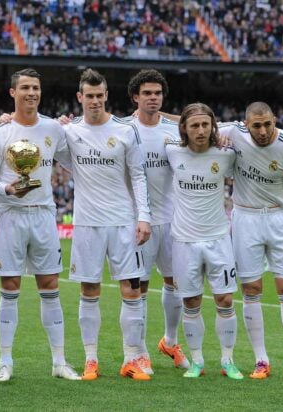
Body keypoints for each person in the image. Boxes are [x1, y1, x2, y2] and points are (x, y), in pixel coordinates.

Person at [0, 68, 79, 382]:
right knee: (10, 288)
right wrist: (5, 189)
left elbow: (74, 161)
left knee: (50, 287)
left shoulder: (53, 128)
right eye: (25, 88)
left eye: (36, 87)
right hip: (10, 216)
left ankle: (59, 362)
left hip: (44, 215)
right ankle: (5, 361)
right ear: (13, 93)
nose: (31, 93)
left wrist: (74, 128)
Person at [219, 102, 283, 381]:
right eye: (256, 126)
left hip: (279, 219)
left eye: (268, 124)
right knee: (251, 288)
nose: (263, 131)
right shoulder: (232, 132)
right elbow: (193, 121)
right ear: (246, 123)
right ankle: (260, 360)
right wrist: (154, 116)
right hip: (245, 218)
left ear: (274, 120)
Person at [64, 69, 152, 381]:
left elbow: (139, 175)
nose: (95, 101)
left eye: (100, 95)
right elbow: (51, 150)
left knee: (131, 290)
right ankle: (91, 360)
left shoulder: (126, 131)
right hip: (88, 222)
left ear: (106, 96)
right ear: (80, 98)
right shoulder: (70, 133)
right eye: (89, 96)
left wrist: (144, 217)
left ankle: (131, 359)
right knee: (90, 289)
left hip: (122, 221)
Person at [165, 103, 242, 380]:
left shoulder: (226, 154)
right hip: (184, 241)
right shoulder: (172, 150)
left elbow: (245, 128)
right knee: (191, 302)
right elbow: (147, 121)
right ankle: (197, 361)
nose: (200, 130)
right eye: (194, 125)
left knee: (224, 299)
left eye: (205, 125)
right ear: (184, 127)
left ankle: (228, 360)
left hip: (218, 238)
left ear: (213, 127)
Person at [126, 69, 189, 374]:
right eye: (147, 93)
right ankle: (140, 352)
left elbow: (210, 122)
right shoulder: (124, 128)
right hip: (138, 221)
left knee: (176, 283)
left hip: (172, 219)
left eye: (157, 93)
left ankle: (170, 341)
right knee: (138, 287)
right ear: (135, 97)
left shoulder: (177, 130)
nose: (152, 98)